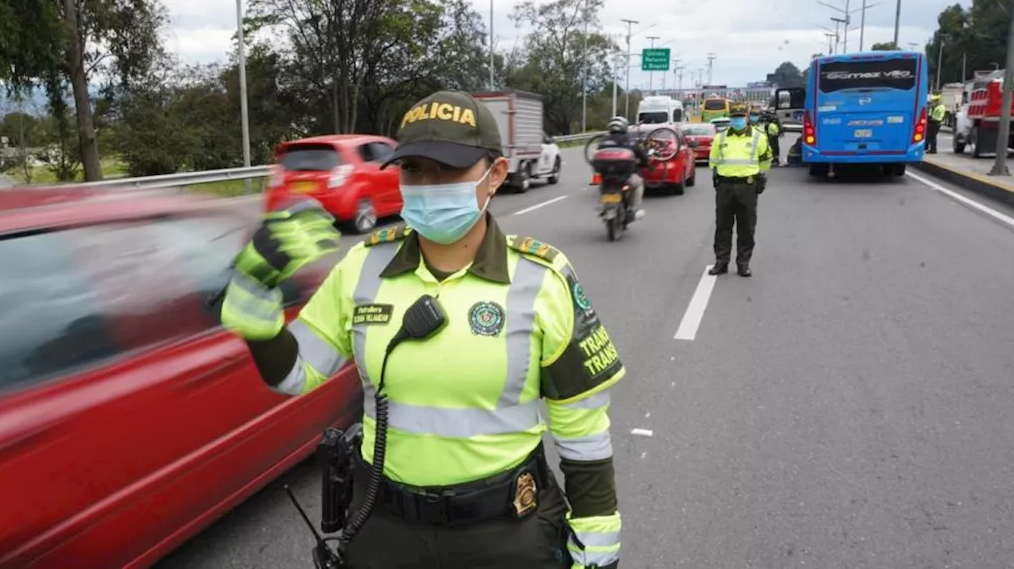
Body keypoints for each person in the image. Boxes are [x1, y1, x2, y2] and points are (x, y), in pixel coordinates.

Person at [218, 90, 625, 569]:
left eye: (448, 169)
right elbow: (295, 374)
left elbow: (584, 432)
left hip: (506, 535)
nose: (429, 185)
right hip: (386, 530)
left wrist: (598, 548)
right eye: (414, 170)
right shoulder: (363, 269)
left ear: (494, 174)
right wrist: (254, 302)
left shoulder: (541, 277)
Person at [709, 105, 772, 277]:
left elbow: (766, 160)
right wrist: (717, 177)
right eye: (734, 117)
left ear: (747, 116)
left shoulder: (759, 137)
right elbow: (713, 161)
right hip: (725, 186)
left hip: (747, 186)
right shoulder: (720, 138)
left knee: (746, 227)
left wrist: (757, 176)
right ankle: (721, 263)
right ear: (730, 118)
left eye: (740, 116)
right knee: (722, 227)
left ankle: (743, 264)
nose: (737, 120)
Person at [591, 116, 649, 220]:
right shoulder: (630, 140)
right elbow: (642, 156)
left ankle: (605, 207)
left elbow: (596, 159)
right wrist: (644, 163)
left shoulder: (603, 141)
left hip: (607, 177)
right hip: (626, 177)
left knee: (603, 186)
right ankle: (632, 209)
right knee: (638, 184)